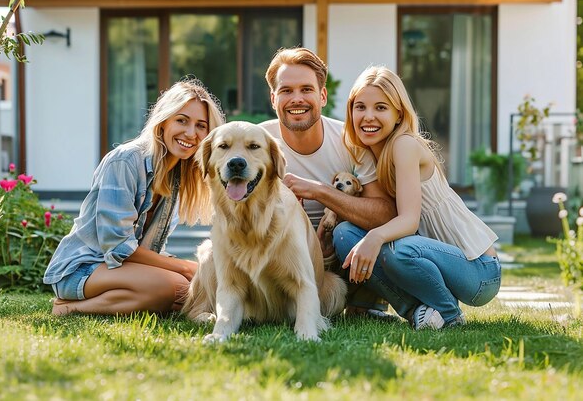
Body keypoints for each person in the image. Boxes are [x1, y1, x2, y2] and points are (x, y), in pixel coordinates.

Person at [335, 65, 501, 329]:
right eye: (360, 107)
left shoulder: (404, 145)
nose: (368, 116)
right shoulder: (367, 153)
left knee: (399, 249)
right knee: (345, 235)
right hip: (426, 257)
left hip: (478, 270)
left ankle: (449, 314)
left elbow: (409, 222)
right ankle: (418, 312)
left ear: (398, 114)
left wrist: (375, 237)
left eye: (380, 107)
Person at [43, 79, 224, 316]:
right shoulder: (126, 161)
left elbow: (151, 250)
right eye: (182, 120)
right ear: (163, 122)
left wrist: (190, 272)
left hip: (121, 269)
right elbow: (118, 246)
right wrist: (185, 267)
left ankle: (150, 298)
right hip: (83, 268)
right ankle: (69, 309)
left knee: (190, 289)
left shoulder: (177, 175)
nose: (191, 133)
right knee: (173, 287)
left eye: (201, 126)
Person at [259, 47, 397, 313]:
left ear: (322, 96)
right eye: (286, 91)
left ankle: (365, 300)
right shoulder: (257, 142)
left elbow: (385, 213)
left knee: (347, 235)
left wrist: (321, 192)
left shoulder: (351, 141)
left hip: (341, 256)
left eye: (306, 89)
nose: (296, 99)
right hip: (279, 259)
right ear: (273, 97)